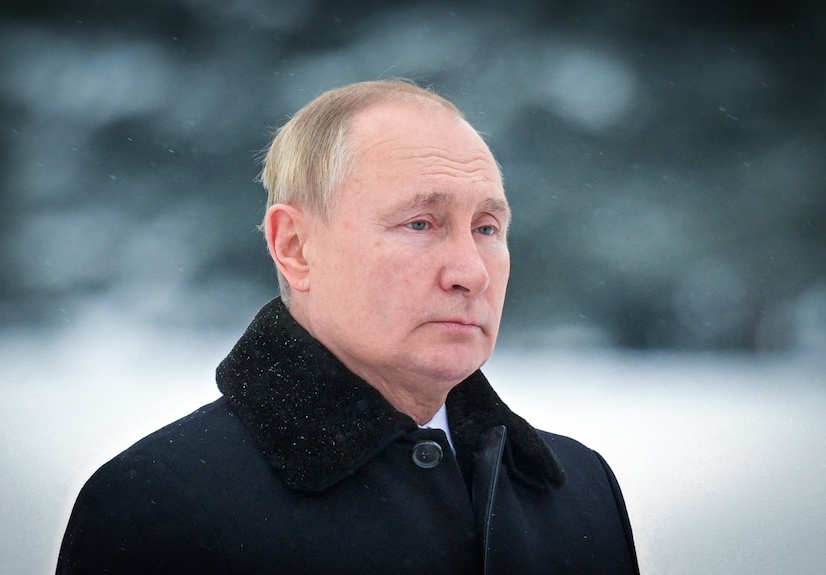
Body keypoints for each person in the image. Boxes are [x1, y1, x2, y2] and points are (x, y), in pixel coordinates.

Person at [56, 79, 639, 574]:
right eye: (419, 222)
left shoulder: (580, 492)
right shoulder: (160, 503)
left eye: (487, 228)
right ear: (296, 246)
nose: (470, 273)